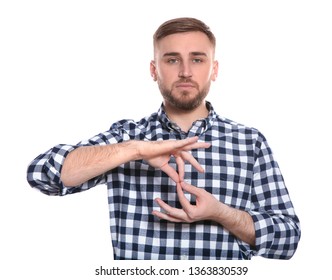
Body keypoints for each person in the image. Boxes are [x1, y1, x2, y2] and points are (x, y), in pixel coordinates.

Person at [27, 17, 301, 260]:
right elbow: (42, 175)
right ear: (153, 70)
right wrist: (136, 150)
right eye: (172, 60)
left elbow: (288, 239)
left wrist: (220, 213)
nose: (185, 71)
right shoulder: (127, 137)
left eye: (197, 59)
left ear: (214, 69)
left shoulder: (249, 142)